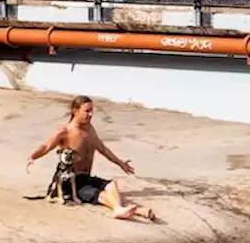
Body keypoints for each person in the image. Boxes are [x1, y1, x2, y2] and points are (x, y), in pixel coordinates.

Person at [26, 95, 156, 221]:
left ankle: (122, 209)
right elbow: (46, 146)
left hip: (86, 177)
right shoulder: (65, 131)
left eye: (92, 111)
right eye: (87, 111)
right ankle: (126, 210)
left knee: (111, 185)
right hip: (71, 182)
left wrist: (121, 163)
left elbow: (102, 149)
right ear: (75, 111)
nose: (90, 114)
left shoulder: (90, 129)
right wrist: (32, 157)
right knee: (100, 195)